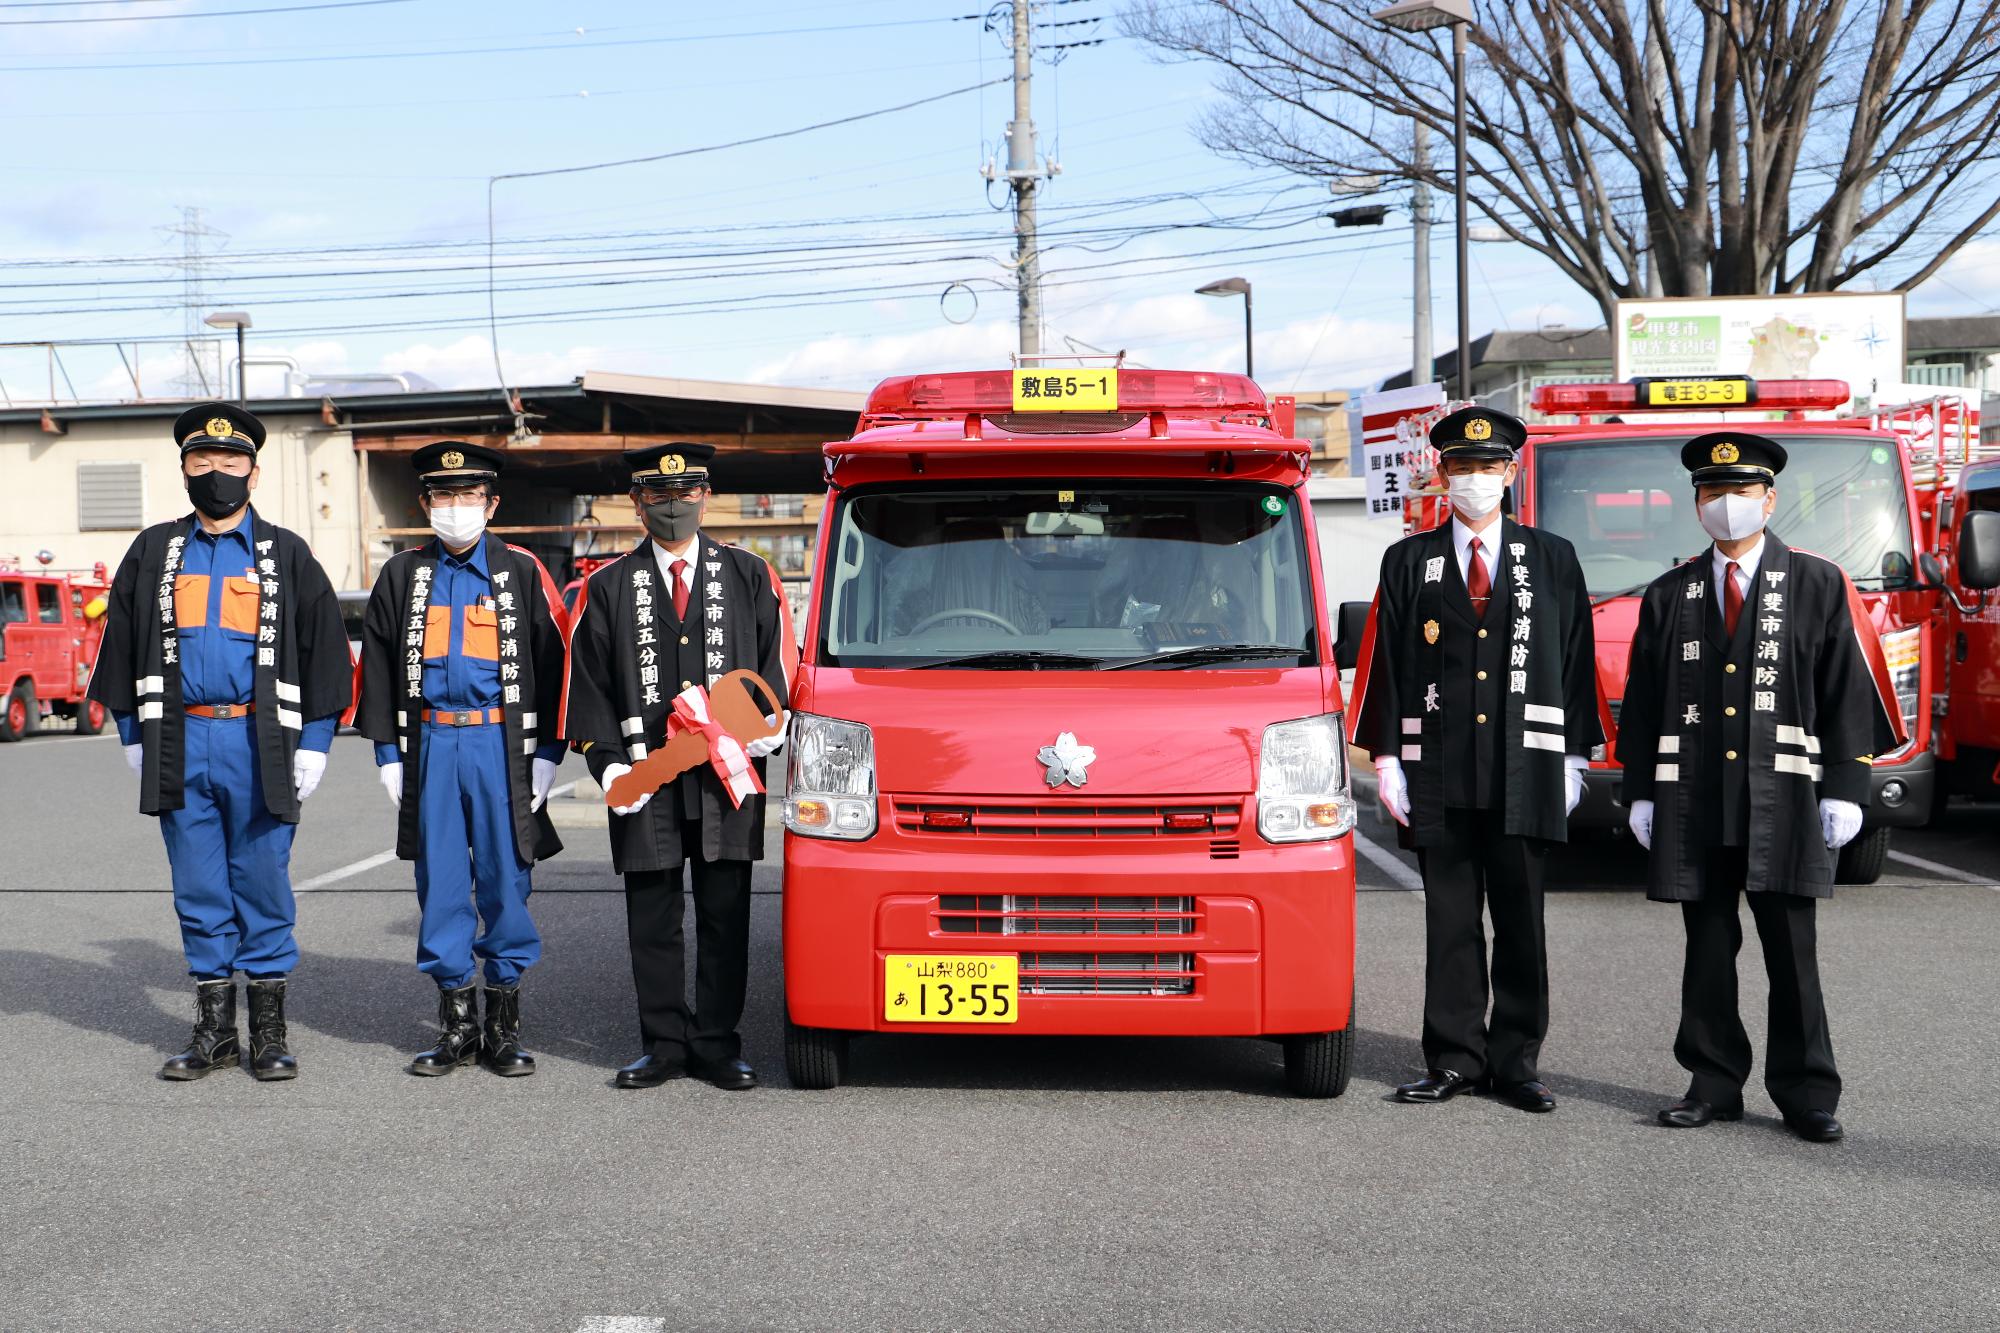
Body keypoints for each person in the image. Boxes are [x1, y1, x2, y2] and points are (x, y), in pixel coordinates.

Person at [1617, 432, 1901, 1143]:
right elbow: (1646, 703)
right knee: (1707, 946)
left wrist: (1846, 785)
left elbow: (1847, 691)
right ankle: (1712, 1080)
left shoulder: (1816, 583)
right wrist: (1640, 792)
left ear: (1770, 499)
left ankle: (1807, 1091)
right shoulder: (1670, 593)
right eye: (1713, 493)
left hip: (1785, 795)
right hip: (1697, 798)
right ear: (1696, 504)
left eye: (1742, 491)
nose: (1728, 505)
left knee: (1791, 949)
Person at [86, 402, 350, 1081]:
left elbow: (324, 652)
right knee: (198, 886)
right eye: (202, 462)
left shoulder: (286, 554)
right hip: (179, 736)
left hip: (258, 740)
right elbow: (118, 643)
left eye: (230, 463)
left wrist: (315, 742)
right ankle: (213, 1030)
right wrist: (130, 735)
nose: (216, 473)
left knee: (261, 882)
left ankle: (268, 1031)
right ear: (183, 471)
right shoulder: (153, 551)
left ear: (253, 474)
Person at [1352, 406, 1601, 1113]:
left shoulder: (1552, 558)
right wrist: (1388, 759)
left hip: (1526, 766)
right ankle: (1454, 1057)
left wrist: (1576, 756)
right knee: (1450, 920)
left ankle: (1517, 1060)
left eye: (1488, 468)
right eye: (1462, 468)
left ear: (1511, 473)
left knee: (1522, 919)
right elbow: (1387, 662)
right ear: (1441, 473)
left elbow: (1576, 660)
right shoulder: (1409, 561)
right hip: (1440, 768)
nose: (1475, 480)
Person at [563, 442, 795, 1091]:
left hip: (728, 773)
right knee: (652, 914)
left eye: (685, 493)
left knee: (726, 912)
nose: (672, 506)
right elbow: (588, 685)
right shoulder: (606, 587)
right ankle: (663, 1042)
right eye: (657, 496)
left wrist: (767, 727)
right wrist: (605, 764)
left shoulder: (750, 574)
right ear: (637, 502)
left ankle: (718, 1042)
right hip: (647, 773)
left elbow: (777, 665)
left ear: (704, 495)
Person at [352, 442, 569, 1077]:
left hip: (501, 745)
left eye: (467, 497)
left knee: (507, 881)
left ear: (491, 504)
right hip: (432, 741)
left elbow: (560, 666)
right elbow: (380, 665)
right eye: (442, 497)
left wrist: (551, 755)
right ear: (425, 504)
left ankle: (504, 1027)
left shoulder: (523, 571)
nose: (455, 508)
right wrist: (387, 753)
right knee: (440, 884)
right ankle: (456, 1026)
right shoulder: (402, 574)